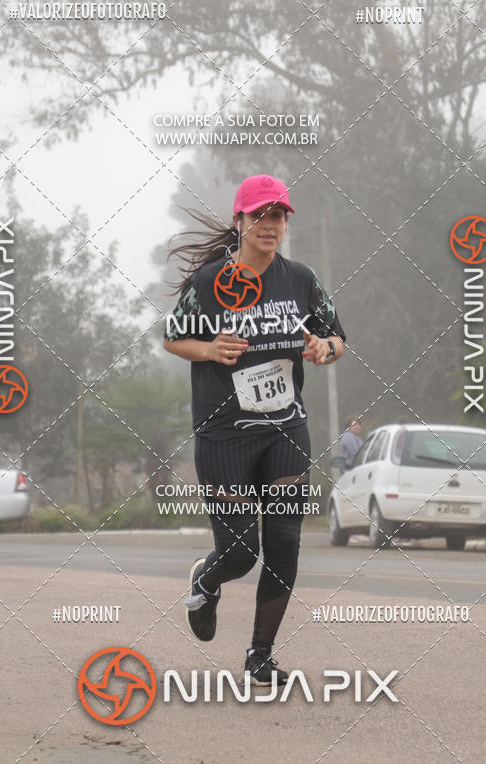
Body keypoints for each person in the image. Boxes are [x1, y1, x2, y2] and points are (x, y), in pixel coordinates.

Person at [163, 173, 345, 686]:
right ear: (240, 221)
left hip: (286, 430)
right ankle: (207, 578)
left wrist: (321, 350)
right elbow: (173, 338)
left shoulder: (301, 280)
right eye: (260, 215)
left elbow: (335, 340)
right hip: (224, 435)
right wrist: (209, 348)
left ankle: (260, 655)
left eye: (279, 215)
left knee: (285, 545)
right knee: (241, 552)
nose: (271, 224)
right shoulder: (209, 283)